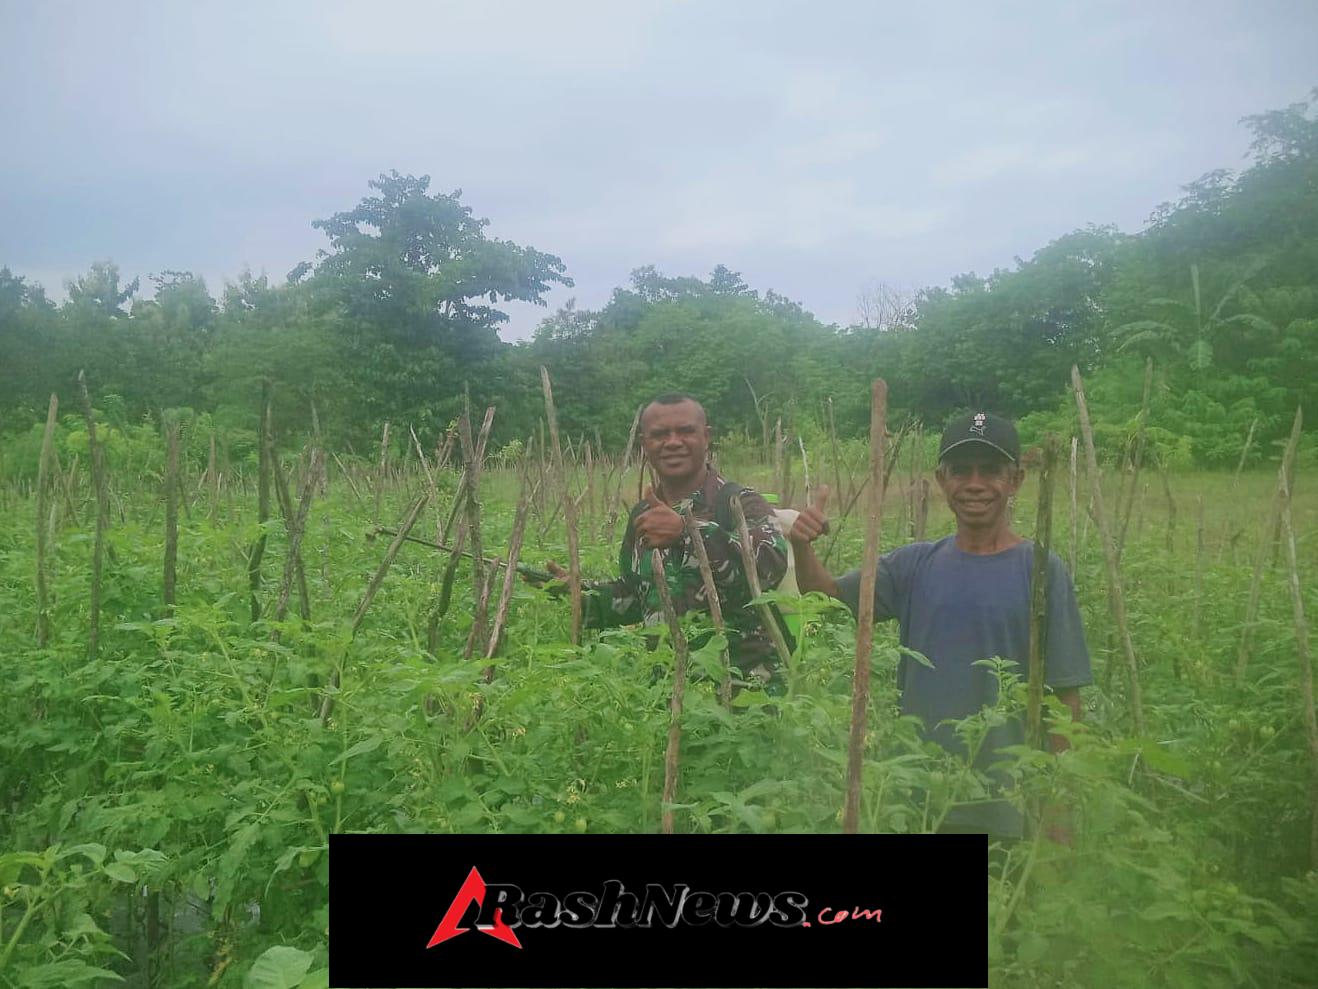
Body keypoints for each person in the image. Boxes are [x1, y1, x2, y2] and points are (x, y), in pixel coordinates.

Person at [789, 411, 1091, 839]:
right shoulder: (913, 565)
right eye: (960, 471)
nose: (974, 484)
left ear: (1016, 480)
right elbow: (827, 599)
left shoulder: (1041, 570)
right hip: (919, 796)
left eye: (990, 471)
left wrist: (1059, 806)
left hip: (1008, 804)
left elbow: (1066, 696)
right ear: (940, 479)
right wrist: (802, 547)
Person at [544, 393, 791, 690]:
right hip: (665, 692)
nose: (673, 442)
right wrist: (580, 595)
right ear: (645, 444)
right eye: (659, 434)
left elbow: (768, 570)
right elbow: (639, 595)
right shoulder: (643, 515)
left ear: (706, 437)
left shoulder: (739, 502)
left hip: (744, 694)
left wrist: (688, 534)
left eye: (685, 431)